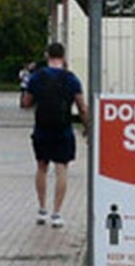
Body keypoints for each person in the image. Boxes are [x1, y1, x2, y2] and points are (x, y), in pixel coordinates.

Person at [20, 41, 88, 227]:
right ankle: (57, 213)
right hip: (63, 129)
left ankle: (42, 209)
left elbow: (26, 102)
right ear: (63, 57)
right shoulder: (71, 78)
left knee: (41, 167)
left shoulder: (37, 77)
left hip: (42, 128)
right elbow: (82, 106)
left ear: (47, 55)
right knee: (61, 169)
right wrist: (87, 127)